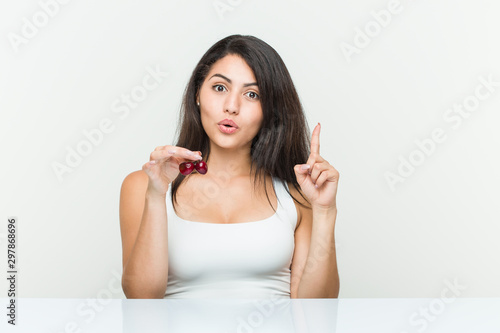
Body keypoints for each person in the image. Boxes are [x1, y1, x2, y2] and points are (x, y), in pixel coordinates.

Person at [119, 34, 340, 299]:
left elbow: (317, 311)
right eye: (220, 88)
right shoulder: (143, 186)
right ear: (197, 93)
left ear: (270, 110)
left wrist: (325, 211)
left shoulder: (297, 194)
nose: (231, 107)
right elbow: (141, 299)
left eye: (251, 94)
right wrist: (156, 195)